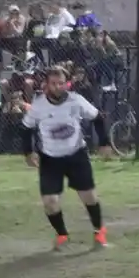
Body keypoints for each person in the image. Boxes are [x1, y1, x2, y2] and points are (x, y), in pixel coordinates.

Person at [19, 66, 111, 249]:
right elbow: (26, 128)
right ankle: (62, 234)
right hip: (50, 159)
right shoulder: (39, 105)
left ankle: (99, 231)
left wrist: (104, 143)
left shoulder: (76, 100)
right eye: (53, 83)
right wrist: (28, 152)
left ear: (67, 84)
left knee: (89, 197)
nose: (57, 87)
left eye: (61, 83)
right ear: (46, 84)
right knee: (50, 202)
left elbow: (97, 118)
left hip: (76, 155)